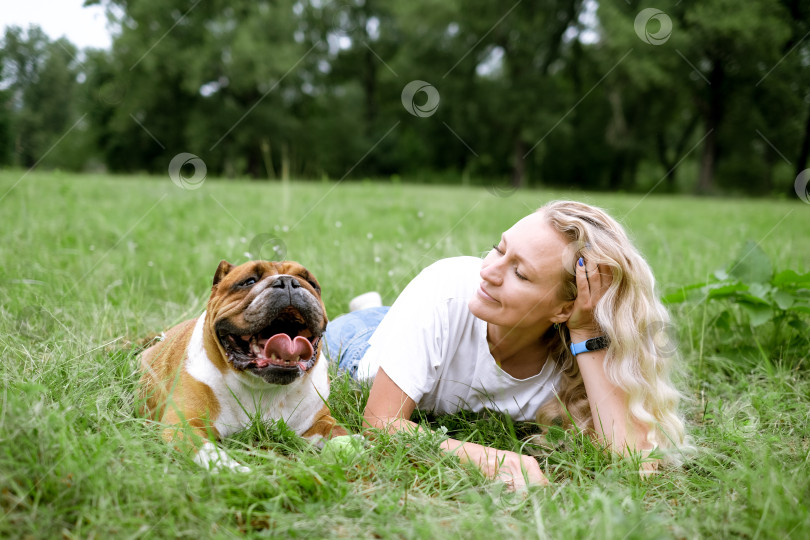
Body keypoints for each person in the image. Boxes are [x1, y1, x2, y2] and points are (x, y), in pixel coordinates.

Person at [324, 200, 686, 489]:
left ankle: (383, 309)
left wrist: (586, 332)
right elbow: (380, 422)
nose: (489, 271)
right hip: (363, 343)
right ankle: (374, 310)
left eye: (520, 273)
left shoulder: (572, 350)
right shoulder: (446, 286)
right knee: (353, 331)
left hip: (430, 332)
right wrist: (495, 459)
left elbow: (632, 463)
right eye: (498, 249)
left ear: (564, 309)